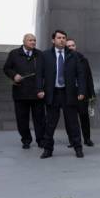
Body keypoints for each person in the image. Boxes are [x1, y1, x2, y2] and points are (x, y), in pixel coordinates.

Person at [36, 30, 86, 158]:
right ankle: (48, 149)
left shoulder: (73, 55)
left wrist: (81, 91)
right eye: (59, 38)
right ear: (53, 40)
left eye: (64, 38)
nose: (62, 40)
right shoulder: (45, 55)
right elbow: (39, 74)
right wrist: (39, 89)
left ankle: (78, 148)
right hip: (52, 94)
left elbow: (80, 74)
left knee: (73, 122)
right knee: (50, 123)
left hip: (68, 93)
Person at [2, 33, 45, 149]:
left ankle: (41, 140)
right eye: (30, 40)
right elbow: (6, 68)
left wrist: (43, 89)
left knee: (40, 119)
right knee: (22, 119)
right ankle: (26, 140)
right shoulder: (14, 54)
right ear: (24, 41)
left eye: (34, 40)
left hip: (37, 93)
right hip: (20, 93)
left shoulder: (40, 55)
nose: (33, 42)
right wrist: (14, 75)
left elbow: (45, 73)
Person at [65, 38, 95, 147]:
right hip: (69, 93)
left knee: (84, 116)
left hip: (82, 93)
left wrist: (91, 93)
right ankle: (73, 141)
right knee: (70, 119)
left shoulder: (83, 59)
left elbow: (89, 77)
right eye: (68, 46)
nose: (71, 47)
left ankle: (87, 139)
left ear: (75, 46)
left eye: (73, 45)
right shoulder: (64, 59)